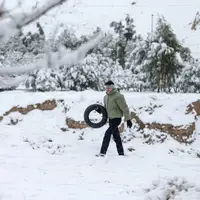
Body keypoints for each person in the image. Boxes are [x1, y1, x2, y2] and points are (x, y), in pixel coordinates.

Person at [96, 80, 132, 157]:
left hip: (117, 119)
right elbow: (106, 109)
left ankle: (102, 153)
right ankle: (121, 153)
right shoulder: (106, 97)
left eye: (109, 87)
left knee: (107, 133)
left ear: (113, 87)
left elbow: (125, 108)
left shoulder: (118, 96)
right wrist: (100, 110)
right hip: (111, 119)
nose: (107, 89)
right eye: (106, 87)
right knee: (116, 137)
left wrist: (128, 119)